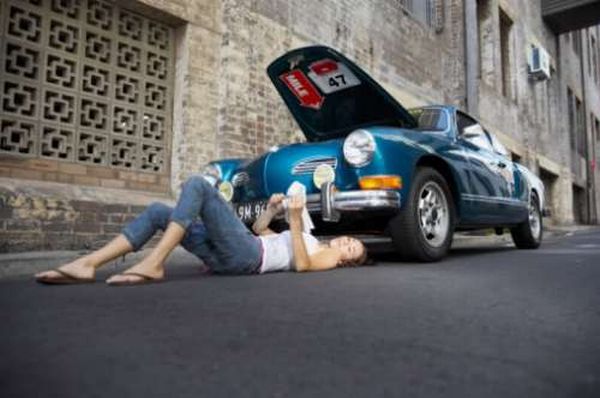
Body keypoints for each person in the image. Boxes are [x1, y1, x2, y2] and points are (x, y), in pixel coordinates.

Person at [35, 175, 367, 285]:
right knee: (157, 212)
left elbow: (303, 266)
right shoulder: (311, 240)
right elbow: (260, 229)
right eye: (351, 240)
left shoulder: (328, 255)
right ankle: (89, 264)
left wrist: (295, 221)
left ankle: (154, 263)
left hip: (247, 257)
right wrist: (274, 210)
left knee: (198, 184)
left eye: (353, 248)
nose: (348, 242)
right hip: (238, 254)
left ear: (346, 260)